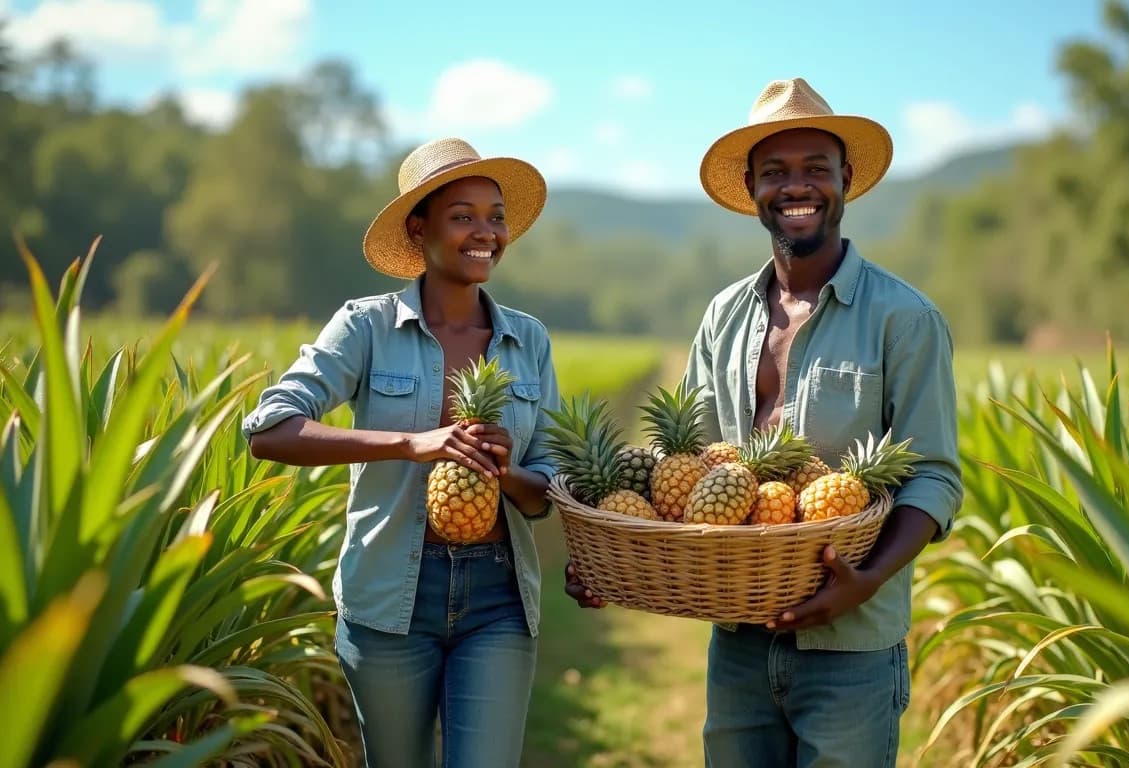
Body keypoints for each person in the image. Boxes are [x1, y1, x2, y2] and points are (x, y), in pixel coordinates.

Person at [566, 77, 964, 767]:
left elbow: (934, 477)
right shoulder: (724, 315)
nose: (797, 187)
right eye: (776, 172)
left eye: (816, 168)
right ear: (752, 187)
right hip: (739, 640)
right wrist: (614, 561)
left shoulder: (905, 318)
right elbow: (679, 461)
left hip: (854, 646)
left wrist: (865, 581)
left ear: (846, 180)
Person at [243, 137, 560, 767]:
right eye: (462, 215)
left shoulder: (528, 339)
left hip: (498, 595)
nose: (486, 232)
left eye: (495, 216)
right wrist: (412, 444)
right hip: (388, 597)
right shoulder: (364, 326)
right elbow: (269, 429)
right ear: (419, 228)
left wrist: (512, 473)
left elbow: (549, 481)